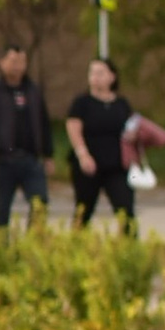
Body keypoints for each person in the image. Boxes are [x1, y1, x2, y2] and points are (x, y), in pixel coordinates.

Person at [0, 47, 53, 230]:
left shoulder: (33, 90)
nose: (18, 67)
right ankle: (2, 250)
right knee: (2, 211)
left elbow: (44, 123)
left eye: (22, 62)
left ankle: (32, 245)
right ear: (2, 62)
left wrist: (48, 154)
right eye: (13, 61)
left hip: (30, 159)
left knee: (40, 202)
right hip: (2, 160)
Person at [66, 57, 137, 229]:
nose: (95, 77)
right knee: (84, 209)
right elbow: (73, 128)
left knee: (125, 208)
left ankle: (129, 249)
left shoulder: (121, 103)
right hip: (89, 165)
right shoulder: (82, 102)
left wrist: (132, 135)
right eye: (92, 73)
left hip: (117, 165)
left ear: (112, 77)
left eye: (100, 73)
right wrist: (83, 155)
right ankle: (77, 246)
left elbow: (130, 126)